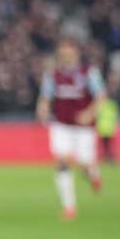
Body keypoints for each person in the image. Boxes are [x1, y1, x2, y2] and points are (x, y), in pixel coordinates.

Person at [36, 39, 105, 220]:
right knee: (62, 160)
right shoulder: (53, 75)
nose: (65, 57)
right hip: (62, 125)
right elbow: (45, 97)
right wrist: (42, 109)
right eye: (62, 53)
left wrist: (89, 113)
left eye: (68, 53)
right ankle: (69, 207)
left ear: (76, 53)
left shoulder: (89, 72)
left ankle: (93, 173)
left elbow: (101, 96)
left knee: (83, 163)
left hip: (84, 128)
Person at [96, 95, 119, 164]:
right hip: (109, 128)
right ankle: (109, 159)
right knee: (109, 145)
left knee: (105, 145)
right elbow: (115, 117)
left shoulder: (100, 104)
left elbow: (96, 115)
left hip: (102, 128)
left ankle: (107, 159)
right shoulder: (113, 105)